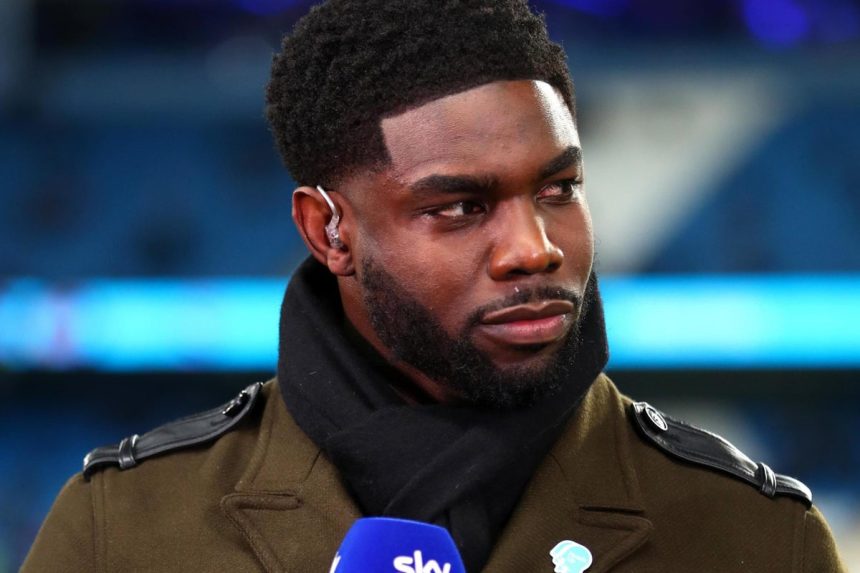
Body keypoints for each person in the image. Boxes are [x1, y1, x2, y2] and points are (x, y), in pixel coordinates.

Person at [22, 1, 846, 571]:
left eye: (558, 189)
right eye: (459, 207)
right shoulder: (122, 532)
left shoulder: (757, 536)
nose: (533, 249)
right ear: (328, 230)